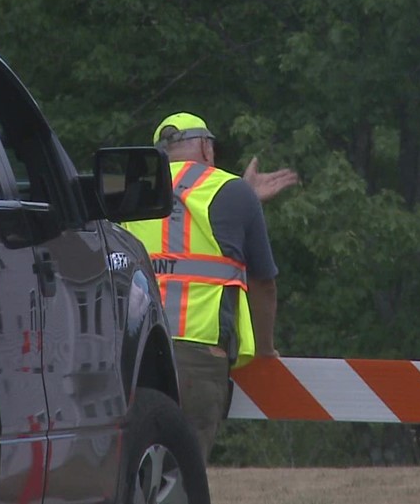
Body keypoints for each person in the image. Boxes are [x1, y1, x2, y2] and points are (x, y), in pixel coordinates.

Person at [122, 112, 297, 461]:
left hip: (133, 352)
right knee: (184, 474)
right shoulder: (231, 191)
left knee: (131, 473)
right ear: (204, 146)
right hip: (199, 355)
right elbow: (264, 284)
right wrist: (265, 348)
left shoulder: (132, 193)